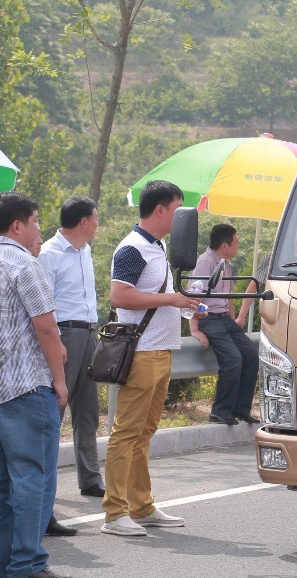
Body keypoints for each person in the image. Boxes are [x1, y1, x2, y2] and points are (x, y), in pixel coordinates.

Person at [0, 191, 77, 578]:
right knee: (32, 476)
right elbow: (47, 328)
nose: (38, 228)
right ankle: (27, 563)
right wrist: (59, 379)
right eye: (35, 221)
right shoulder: (24, 264)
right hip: (24, 387)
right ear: (17, 225)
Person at [101, 180, 198, 537]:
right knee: (126, 434)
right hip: (142, 353)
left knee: (143, 433)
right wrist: (171, 299)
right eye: (177, 209)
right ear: (160, 210)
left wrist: (184, 302)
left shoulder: (157, 246)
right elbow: (119, 297)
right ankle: (115, 513)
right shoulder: (133, 248)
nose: (181, 217)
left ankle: (141, 506)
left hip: (161, 351)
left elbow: (155, 295)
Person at [37, 196, 104, 500]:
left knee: (88, 411)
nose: (98, 224)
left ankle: (90, 479)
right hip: (64, 335)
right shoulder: (49, 253)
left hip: (89, 333)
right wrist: (55, 344)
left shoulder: (85, 250)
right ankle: (43, 483)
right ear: (83, 222)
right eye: (95, 218)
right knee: (56, 410)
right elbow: (43, 303)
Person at [191, 224, 260, 426]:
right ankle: (220, 411)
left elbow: (227, 296)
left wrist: (234, 321)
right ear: (224, 245)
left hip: (224, 320)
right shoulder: (205, 262)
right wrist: (195, 329)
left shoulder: (225, 263)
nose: (238, 246)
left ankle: (241, 409)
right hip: (209, 319)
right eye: (235, 242)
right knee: (233, 358)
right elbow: (194, 297)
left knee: (251, 354)